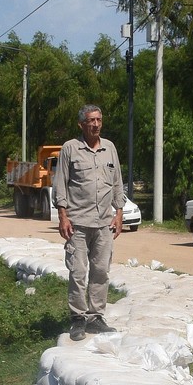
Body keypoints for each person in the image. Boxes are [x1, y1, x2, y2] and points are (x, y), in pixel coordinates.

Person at [52, 104, 124, 340]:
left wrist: (119, 212)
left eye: (99, 120)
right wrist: (63, 215)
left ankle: (96, 318)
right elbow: (60, 183)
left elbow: (117, 183)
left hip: (103, 223)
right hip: (78, 223)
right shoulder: (70, 149)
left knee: (101, 271)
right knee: (78, 272)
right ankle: (78, 319)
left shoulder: (110, 148)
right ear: (81, 124)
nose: (95, 124)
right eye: (91, 121)